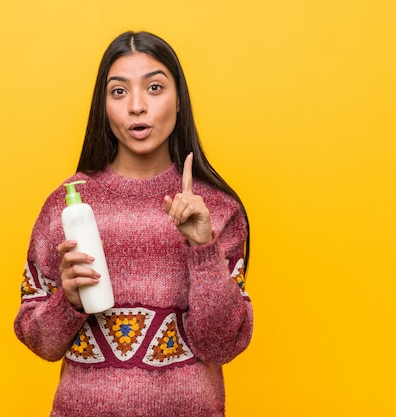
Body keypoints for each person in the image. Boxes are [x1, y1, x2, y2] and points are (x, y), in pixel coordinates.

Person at [14, 31, 253, 417]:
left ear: (179, 102)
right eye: (119, 92)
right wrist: (68, 302)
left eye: (155, 88)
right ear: (103, 106)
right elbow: (37, 338)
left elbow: (222, 345)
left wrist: (203, 252)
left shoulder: (216, 210)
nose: (137, 107)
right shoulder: (67, 204)